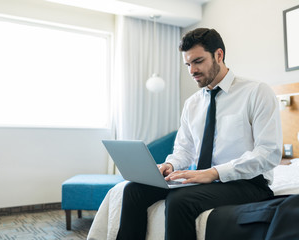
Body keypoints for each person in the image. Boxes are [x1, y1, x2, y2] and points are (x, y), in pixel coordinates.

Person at [116, 28, 282, 240]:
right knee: (133, 189)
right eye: (188, 64)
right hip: (202, 179)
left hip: (248, 183)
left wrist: (214, 173)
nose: (192, 70)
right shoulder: (192, 103)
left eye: (198, 61)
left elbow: (269, 153)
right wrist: (171, 165)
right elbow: (184, 150)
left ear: (219, 55)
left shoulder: (257, 92)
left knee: (179, 200)